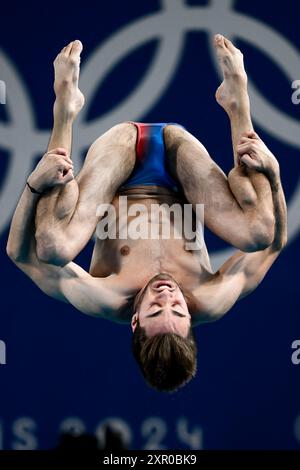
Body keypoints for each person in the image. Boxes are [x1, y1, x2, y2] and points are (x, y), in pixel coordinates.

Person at [7, 36, 287, 392]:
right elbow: (273, 245)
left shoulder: (104, 298)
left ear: (135, 321)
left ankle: (65, 109)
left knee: (53, 248)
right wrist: (274, 175)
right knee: (259, 231)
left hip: (118, 162)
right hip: (179, 163)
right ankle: (238, 103)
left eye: (157, 310)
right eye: (179, 311)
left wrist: (34, 184)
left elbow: (20, 255)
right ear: (191, 319)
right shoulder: (212, 298)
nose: (168, 297)